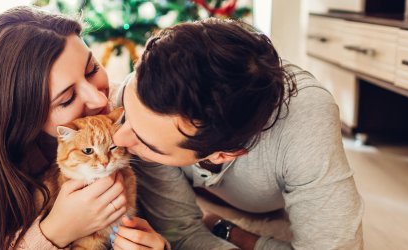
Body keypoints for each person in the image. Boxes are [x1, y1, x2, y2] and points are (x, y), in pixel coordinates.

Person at [112, 18, 364, 249]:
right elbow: (182, 234)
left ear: (223, 155)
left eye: (148, 144)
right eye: (127, 116)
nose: (117, 139)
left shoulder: (305, 125)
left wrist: (240, 235)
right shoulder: (139, 99)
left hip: (266, 200)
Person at [0, 6, 167, 250]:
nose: (100, 100)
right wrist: (55, 231)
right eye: (67, 99)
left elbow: (176, 221)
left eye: (92, 69)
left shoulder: (122, 110)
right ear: (25, 118)